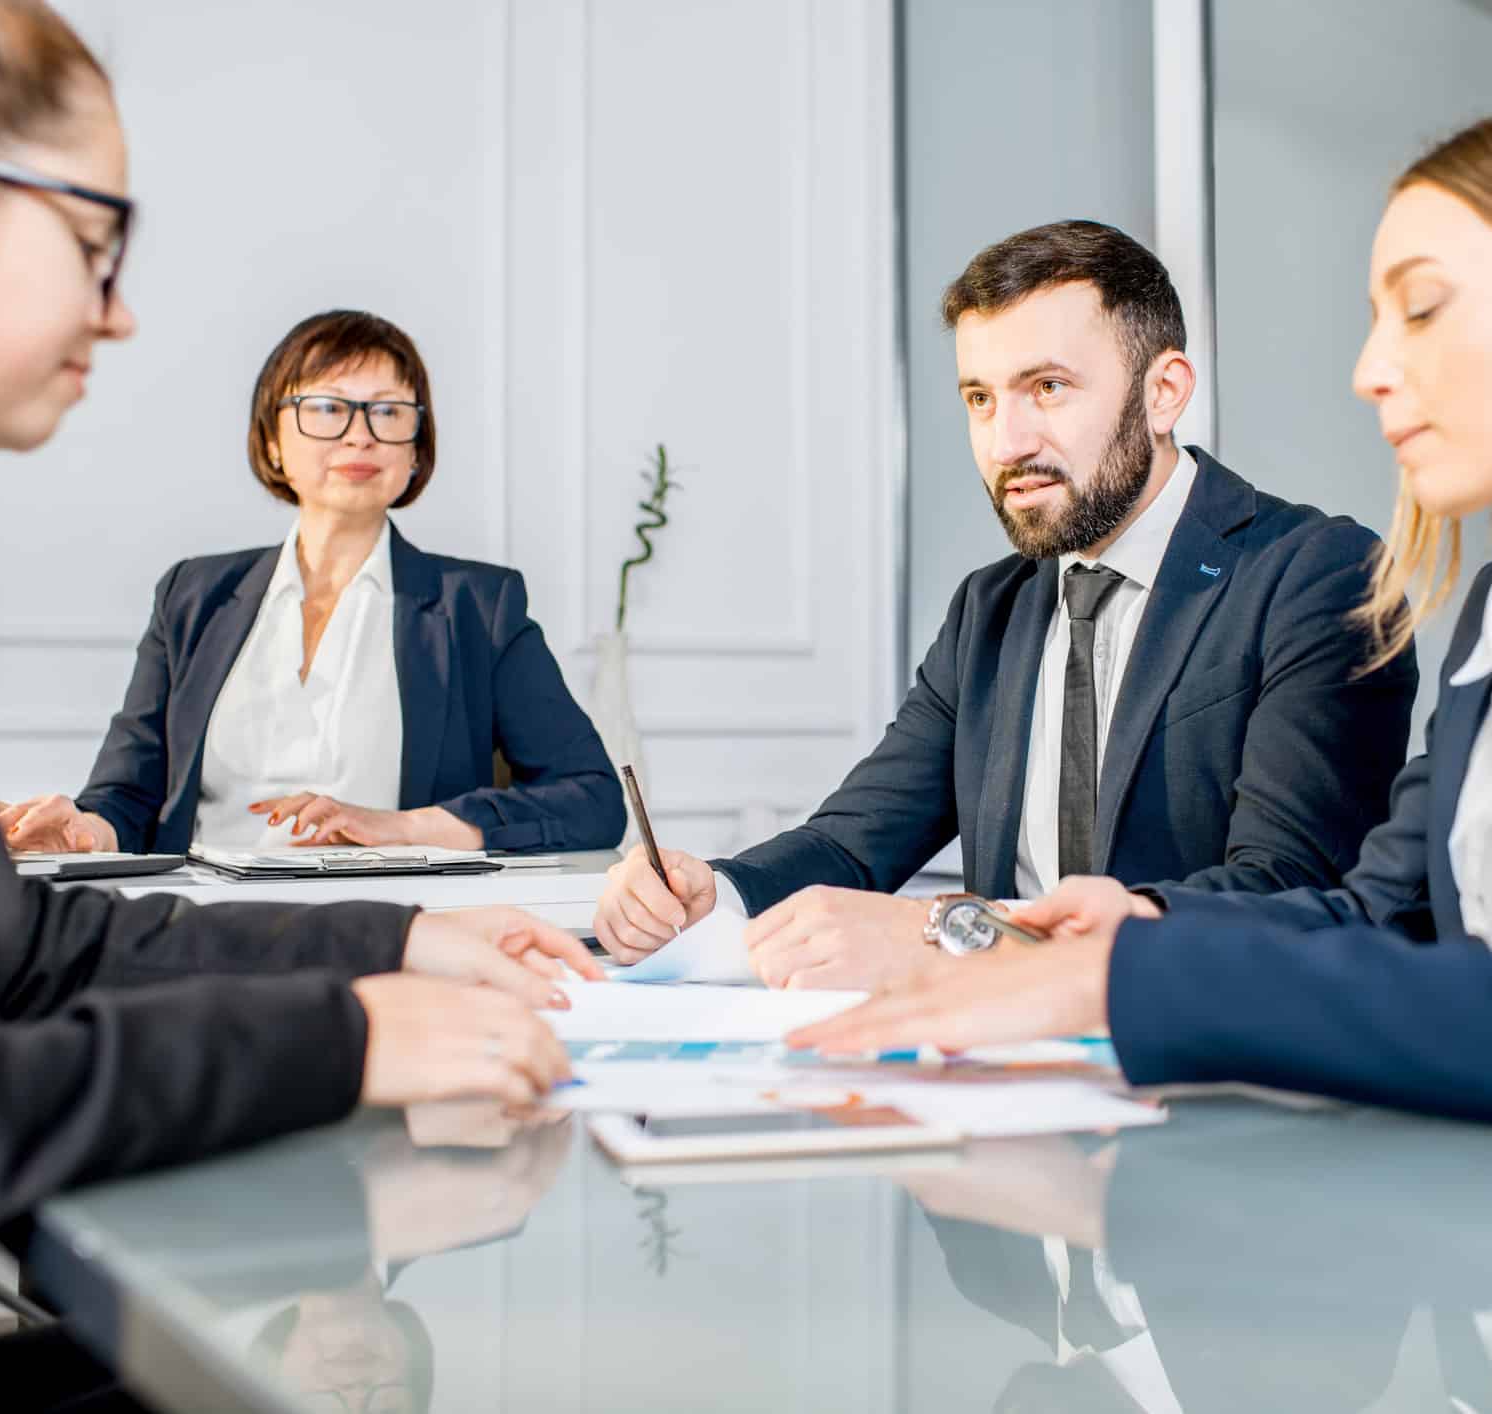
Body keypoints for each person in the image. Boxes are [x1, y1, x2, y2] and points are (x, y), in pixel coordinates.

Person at [0, 1, 593, 1401]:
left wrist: (400, 936)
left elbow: (13, 954)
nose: (119, 307)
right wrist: (347, 1032)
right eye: (93, 242)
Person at [793, 112, 1492, 1132]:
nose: (1370, 370)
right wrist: (1144, 926)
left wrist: (1126, 980)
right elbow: (1376, 911)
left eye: (1424, 307)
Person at [595, 220, 1419, 991]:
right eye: (980, 399)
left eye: (1047, 388)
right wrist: (716, 891)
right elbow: (852, 844)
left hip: (1201, 1055)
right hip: (1001, 1070)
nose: (1004, 444)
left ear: (1163, 393)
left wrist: (951, 934)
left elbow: (1285, 890)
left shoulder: (1316, 575)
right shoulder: (991, 607)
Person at [0, 307, 624, 857]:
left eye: (388, 412)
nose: (359, 433)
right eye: (325, 407)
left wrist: (406, 828)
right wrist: (82, 834)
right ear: (272, 440)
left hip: (398, 925)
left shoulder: (477, 609)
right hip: (204, 924)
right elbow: (127, 798)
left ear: (414, 453)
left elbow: (592, 799)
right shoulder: (191, 597)